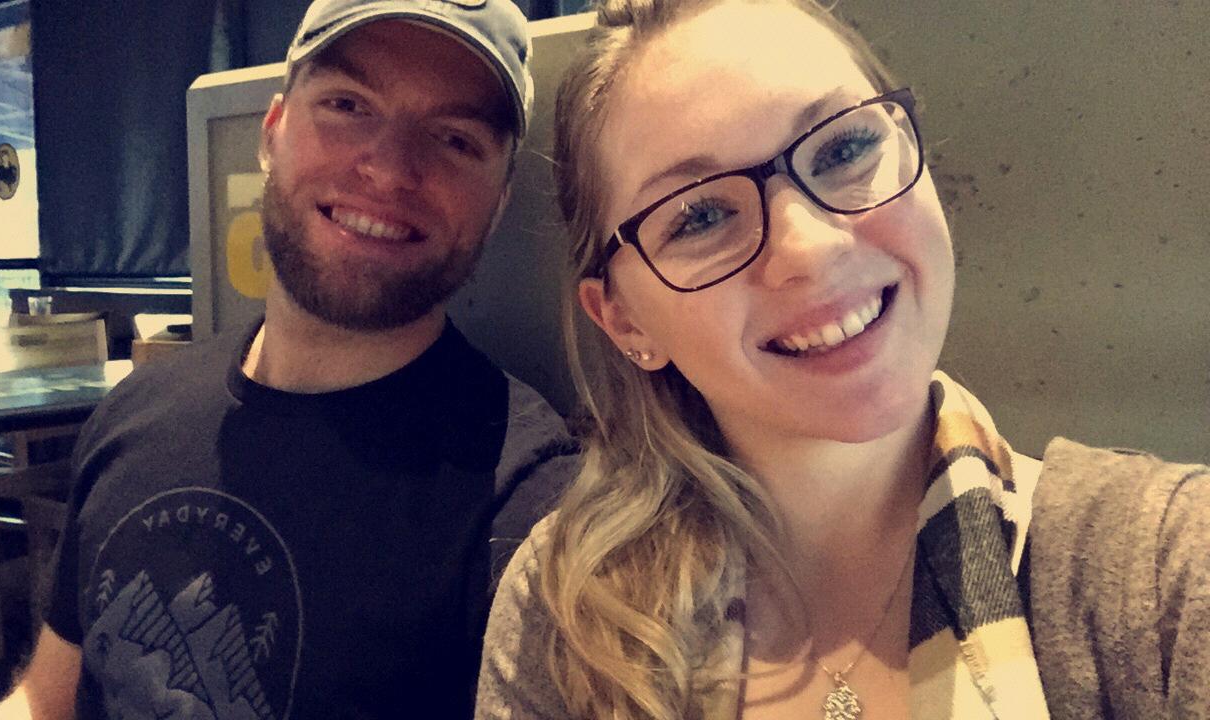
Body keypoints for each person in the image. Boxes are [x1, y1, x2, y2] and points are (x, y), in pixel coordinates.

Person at [473, 0, 1210, 718]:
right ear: (625, 320)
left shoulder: (1163, 571)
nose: (811, 248)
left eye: (844, 149)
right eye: (701, 216)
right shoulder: (563, 612)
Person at [0, 0, 577, 717]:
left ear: (500, 200)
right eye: (348, 104)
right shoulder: (134, 412)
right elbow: (45, 699)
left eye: (455, 139)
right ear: (271, 133)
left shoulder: (531, 508)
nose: (390, 168)